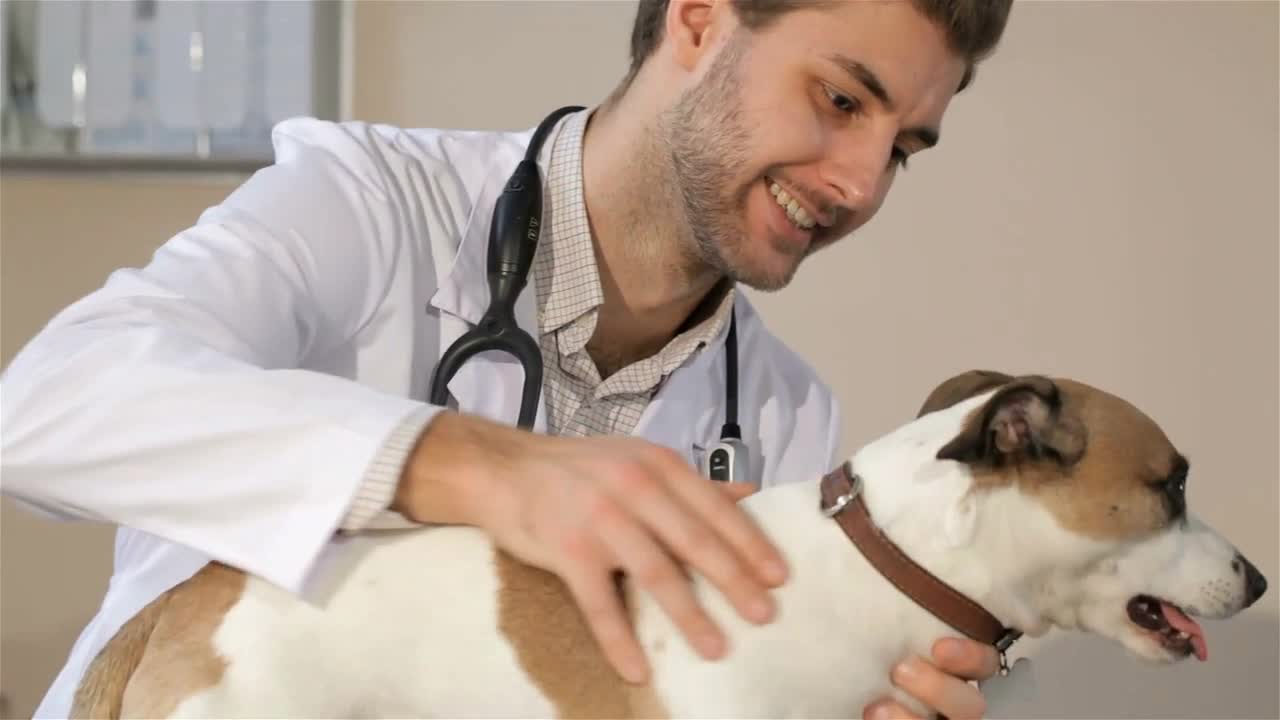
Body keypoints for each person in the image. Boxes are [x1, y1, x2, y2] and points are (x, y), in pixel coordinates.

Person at [1, 0, 1014, 717]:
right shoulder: (371, 203)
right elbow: (43, 410)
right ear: (699, 18)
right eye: (840, 101)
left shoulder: (786, 420)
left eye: (901, 147)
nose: (859, 183)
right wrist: (470, 467)